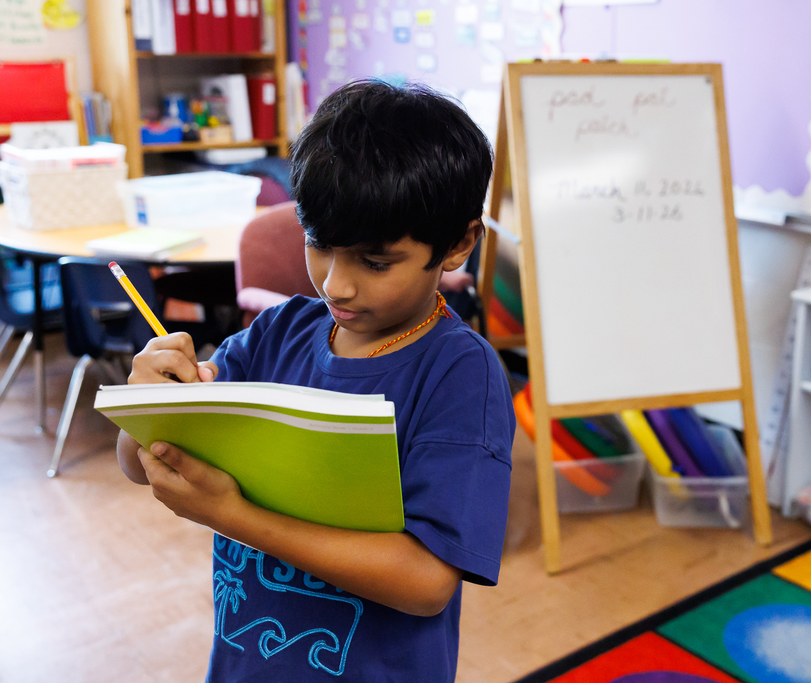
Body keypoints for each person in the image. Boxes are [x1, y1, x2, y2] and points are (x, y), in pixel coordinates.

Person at [115, 80, 515, 682]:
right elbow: (139, 459)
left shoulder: (460, 373)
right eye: (319, 244)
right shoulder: (276, 332)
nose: (336, 285)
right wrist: (149, 400)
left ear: (457, 244)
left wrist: (234, 517)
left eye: (376, 262)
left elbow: (427, 581)